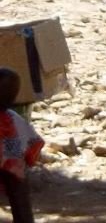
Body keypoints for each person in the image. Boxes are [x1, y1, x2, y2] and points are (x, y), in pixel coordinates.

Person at [0, 68, 40, 223]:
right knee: (18, 184)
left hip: (10, 164)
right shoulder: (14, 119)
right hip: (13, 166)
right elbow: (33, 143)